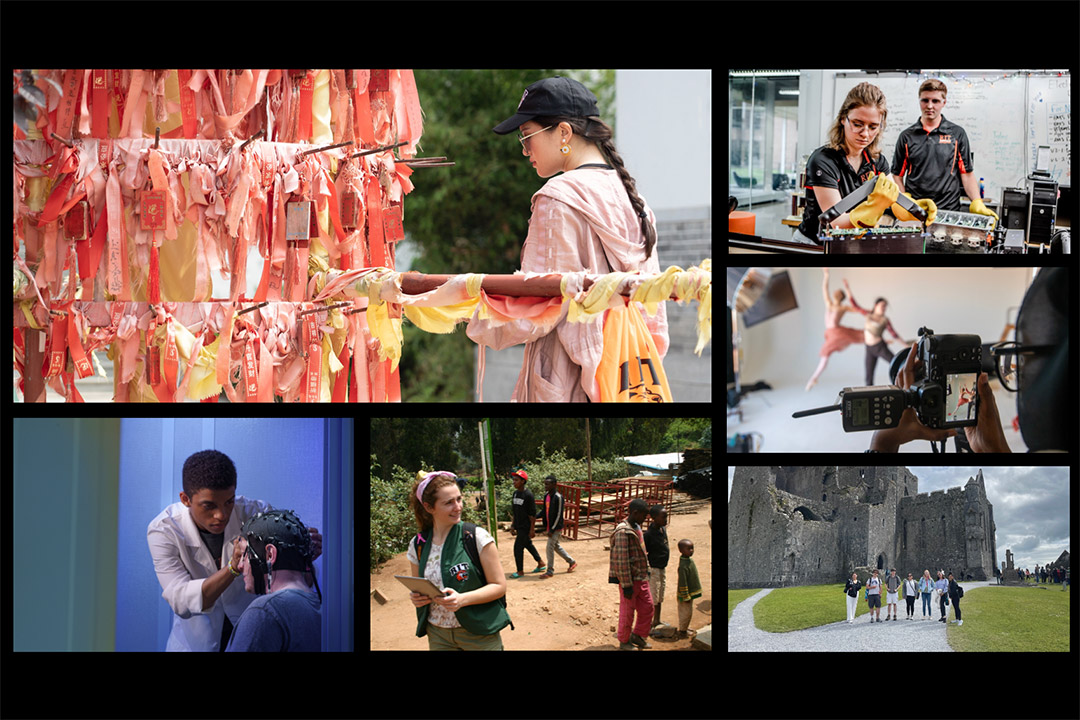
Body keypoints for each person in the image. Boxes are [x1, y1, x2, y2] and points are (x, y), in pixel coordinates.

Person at [471, 76, 670, 402]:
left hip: (569, 376)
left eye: (527, 137)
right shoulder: (637, 202)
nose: (525, 152)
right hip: (628, 375)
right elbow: (654, 313)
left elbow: (538, 304)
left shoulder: (558, 197)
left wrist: (470, 309)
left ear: (563, 132)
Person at [146, 449, 322, 652]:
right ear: (186, 499)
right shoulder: (164, 530)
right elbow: (181, 602)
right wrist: (232, 568)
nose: (221, 515)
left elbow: (297, 584)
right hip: (195, 645)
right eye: (209, 506)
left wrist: (301, 559)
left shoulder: (257, 514)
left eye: (229, 501)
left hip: (255, 634)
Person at [794, 82, 930, 244]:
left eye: (873, 127)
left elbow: (893, 198)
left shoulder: (877, 161)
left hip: (851, 242)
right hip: (815, 244)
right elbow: (836, 222)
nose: (865, 134)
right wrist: (874, 208)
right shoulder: (823, 160)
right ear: (843, 119)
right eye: (858, 124)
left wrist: (910, 210)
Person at [407, 471, 512, 650]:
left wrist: (462, 599)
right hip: (438, 634)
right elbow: (420, 586)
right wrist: (417, 598)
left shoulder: (476, 537)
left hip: (479, 632)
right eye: (448, 502)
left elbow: (499, 586)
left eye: (459, 499)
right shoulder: (418, 544)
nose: (458, 507)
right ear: (428, 507)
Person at [891, 78, 997, 224]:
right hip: (916, 211)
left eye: (935, 101)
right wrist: (905, 202)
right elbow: (897, 175)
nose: (929, 106)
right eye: (925, 100)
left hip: (949, 211)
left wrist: (977, 201)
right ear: (919, 101)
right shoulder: (906, 137)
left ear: (944, 103)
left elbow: (966, 174)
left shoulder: (957, 134)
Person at [226, 509, 321, 651]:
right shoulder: (320, 607)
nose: (240, 566)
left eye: (245, 555)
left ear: (270, 555)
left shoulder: (264, 611)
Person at [806, 268, 864, 391]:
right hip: (831, 333)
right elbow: (824, 289)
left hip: (836, 333)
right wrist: (826, 275)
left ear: (840, 297)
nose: (835, 294)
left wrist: (848, 290)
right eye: (836, 292)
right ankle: (814, 378)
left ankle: (813, 378)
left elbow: (857, 309)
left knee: (826, 354)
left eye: (838, 293)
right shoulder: (829, 304)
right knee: (825, 355)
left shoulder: (843, 307)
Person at [609, 498, 654, 649]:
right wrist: (627, 585)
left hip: (641, 578)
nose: (645, 518)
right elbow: (621, 561)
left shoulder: (637, 527)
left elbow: (642, 551)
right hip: (630, 580)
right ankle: (624, 640)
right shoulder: (623, 531)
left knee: (648, 607)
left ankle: (638, 635)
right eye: (644, 515)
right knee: (627, 612)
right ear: (635, 513)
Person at [843, 279, 906, 386]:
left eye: (885, 306)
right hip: (869, 348)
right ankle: (869, 395)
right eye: (882, 305)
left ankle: (903, 385)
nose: (884, 308)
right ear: (876, 305)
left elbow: (894, 334)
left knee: (896, 364)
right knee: (869, 376)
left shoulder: (885, 320)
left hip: (880, 347)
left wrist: (905, 345)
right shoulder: (868, 314)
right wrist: (848, 289)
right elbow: (855, 306)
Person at [508, 470, 545, 579]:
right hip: (519, 525)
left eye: (516, 480)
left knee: (517, 548)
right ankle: (541, 563)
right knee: (527, 544)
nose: (514, 482)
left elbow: (532, 515)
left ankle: (520, 571)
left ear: (523, 481)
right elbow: (515, 511)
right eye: (513, 480)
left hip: (526, 526)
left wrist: (532, 529)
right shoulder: (515, 494)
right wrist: (513, 525)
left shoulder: (528, 495)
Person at [538, 475, 577, 578]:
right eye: (545, 484)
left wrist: (552, 529)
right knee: (556, 546)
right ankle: (572, 562)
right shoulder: (546, 495)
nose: (545, 486)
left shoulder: (558, 497)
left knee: (549, 546)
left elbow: (559, 514)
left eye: (548, 484)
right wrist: (535, 516)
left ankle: (550, 570)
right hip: (549, 526)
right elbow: (544, 510)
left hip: (556, 527)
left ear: (554, 485)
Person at [643, 505, 670, 628]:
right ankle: (649, 623)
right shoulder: (649, 534)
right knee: (653, 596)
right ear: (654, 518)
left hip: (662, 567)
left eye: (666, 516)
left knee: (659, 595)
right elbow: (644, 552)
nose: (666, 519)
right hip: (653, 569)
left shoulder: (663, 529)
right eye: (663, 517)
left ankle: (657, 620)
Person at [675, 538, 701, 639]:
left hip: (689, 594)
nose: (691, 551)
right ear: (681, 550)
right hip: (685, 595)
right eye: (688, 549)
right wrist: (685, 595)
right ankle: (682, 631)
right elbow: (682, 581)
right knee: (685, 613)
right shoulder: (683, 565)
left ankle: (685, 628)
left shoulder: (688, 561)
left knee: (688, 612)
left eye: (692, 548)